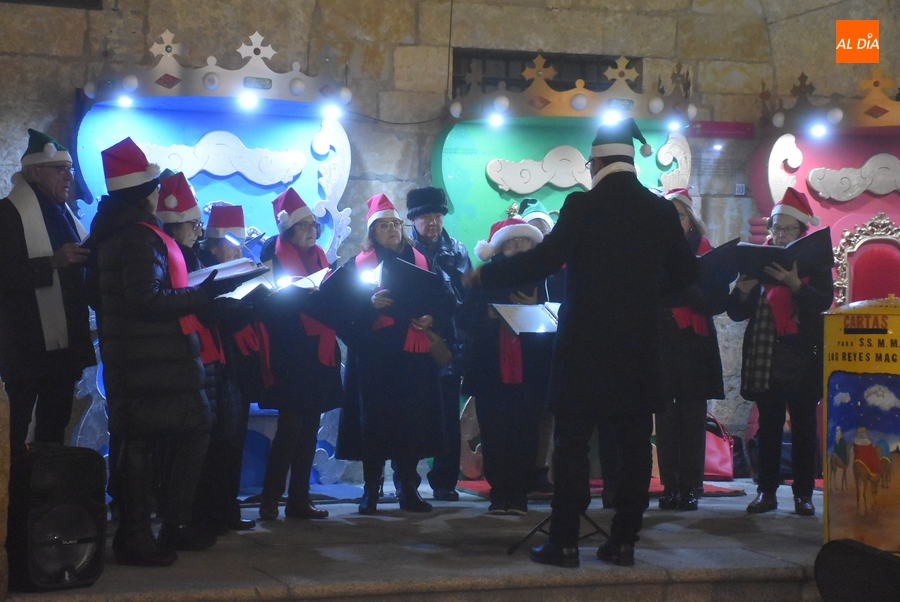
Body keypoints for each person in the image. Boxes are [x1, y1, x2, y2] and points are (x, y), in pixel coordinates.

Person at [467, 118, 697, 568]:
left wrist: (487, 274)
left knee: (571, 444)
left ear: (596, 163)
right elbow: (687, 273)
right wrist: (647, 294)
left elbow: (543, 261)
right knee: (633, 447)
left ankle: (565, 542)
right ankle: (624, 542)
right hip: (638, 347)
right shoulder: (660, 211)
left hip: (584, 347)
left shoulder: (581, 205)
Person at [89, 138, 231, 566]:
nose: (157, 194)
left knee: (144, 442)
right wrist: (200, 296)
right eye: (153, 188)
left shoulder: (113, 232)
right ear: (142, 194)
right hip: (152, 361)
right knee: (173, 436)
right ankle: (151, 532)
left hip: (142, 359)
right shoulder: (137, 236)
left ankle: (150, 530)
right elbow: (145, 299)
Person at [335, 193, 447, 515]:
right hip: (374, 356)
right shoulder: (358, 266)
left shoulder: (422, 261)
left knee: (410, 423)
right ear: (373, 232)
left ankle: (407, 489)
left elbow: (443, 299)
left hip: (412, 355)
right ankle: (371, 489)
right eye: (384, 226)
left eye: (396, 224)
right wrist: (369, 306)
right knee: (374, 424)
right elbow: (342, 311)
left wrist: (431, 317)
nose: (392, 230)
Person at [727, 187, 833, 517]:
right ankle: (766, 492)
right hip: (765, 354)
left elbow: (823, 303)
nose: (781, 233)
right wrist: (742, 290)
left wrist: (796, 285)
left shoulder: (814, 263)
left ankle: (803, 494)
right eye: (777, 227)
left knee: (803, 427)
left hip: (802, 355)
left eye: (788, 228)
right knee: (769, 427)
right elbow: (736, 312)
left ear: (802, 231)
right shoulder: (756, 261)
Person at [0, 129, 95, 458]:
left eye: (70, 169)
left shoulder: (65, 213)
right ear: (35, 172)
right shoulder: (8, 214)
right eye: (60, 169)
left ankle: (46, 486)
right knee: (15, 429)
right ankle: (14, 487)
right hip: (26, 347)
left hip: (64, 348)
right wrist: (52, 263)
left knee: (54, 428)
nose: (69, 177)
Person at [257, 188, 342, 521]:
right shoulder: (272, 253)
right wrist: (305, 297)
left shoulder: (319, 255)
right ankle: (270, 498)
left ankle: (298, 499)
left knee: (309, 430)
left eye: (313, 225)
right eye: (303, 225)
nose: (311, 230)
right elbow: (268, 302)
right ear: (288, 229)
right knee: (289, 430)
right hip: (290, 351)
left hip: (319, 350)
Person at [459, 217, 551, 515]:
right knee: (494, 432)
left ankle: (519, 495)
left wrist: (535, 309)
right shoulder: (484, 277)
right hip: (492, 367)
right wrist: (489, 315)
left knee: (526, 432)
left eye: (523, 240)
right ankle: (499, 494)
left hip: (530, 367)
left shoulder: (544, 277)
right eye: (510, 241)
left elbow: (558, 317)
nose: (517, 246)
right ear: (499, 247)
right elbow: (463, 318)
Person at [655, 189, 728, 512]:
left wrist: (688, 290)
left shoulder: (707, 253)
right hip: (663, 339)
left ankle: (690, 486)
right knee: (666, 417)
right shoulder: (654, 253)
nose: (675, 222)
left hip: (695, 344)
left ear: (691, 220)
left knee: (692, 416)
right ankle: (670, 485)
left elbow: (717, 302)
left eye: (680, 216)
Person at [406, 186, 472, 502]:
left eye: (438, 216)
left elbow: (466, 299)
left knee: (447, 415)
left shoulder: (456, 251)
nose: (433, 222)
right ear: (413, 220)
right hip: (409, 342)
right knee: (410, 413)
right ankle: (407, 482)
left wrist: (439, 320)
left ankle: (445, 481)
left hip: (446, 341)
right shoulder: (403, 250)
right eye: (426, 217)